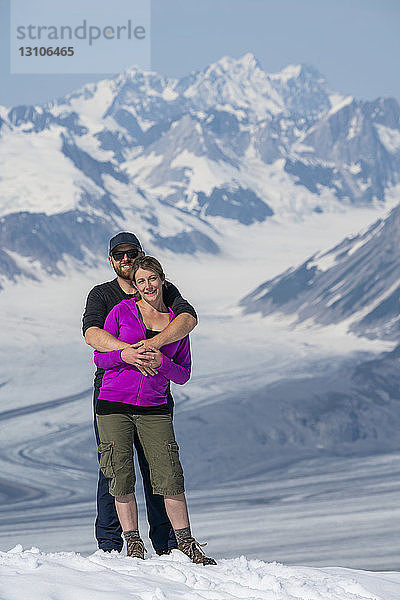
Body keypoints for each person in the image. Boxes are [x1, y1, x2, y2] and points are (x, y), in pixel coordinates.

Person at [94, 255, 216, 565]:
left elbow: (183, 373)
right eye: (141, 281)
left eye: (152, 279)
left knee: (169, 475)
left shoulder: (175, 323)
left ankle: (186, 542)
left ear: (162, 279)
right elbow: (99, 358)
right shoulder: (121, 313)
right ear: (134, 287)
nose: (148, 286)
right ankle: (133, 543)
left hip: (154, 408)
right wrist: (125, 355)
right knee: (120, 475)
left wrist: (163, 363)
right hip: (113, 405)